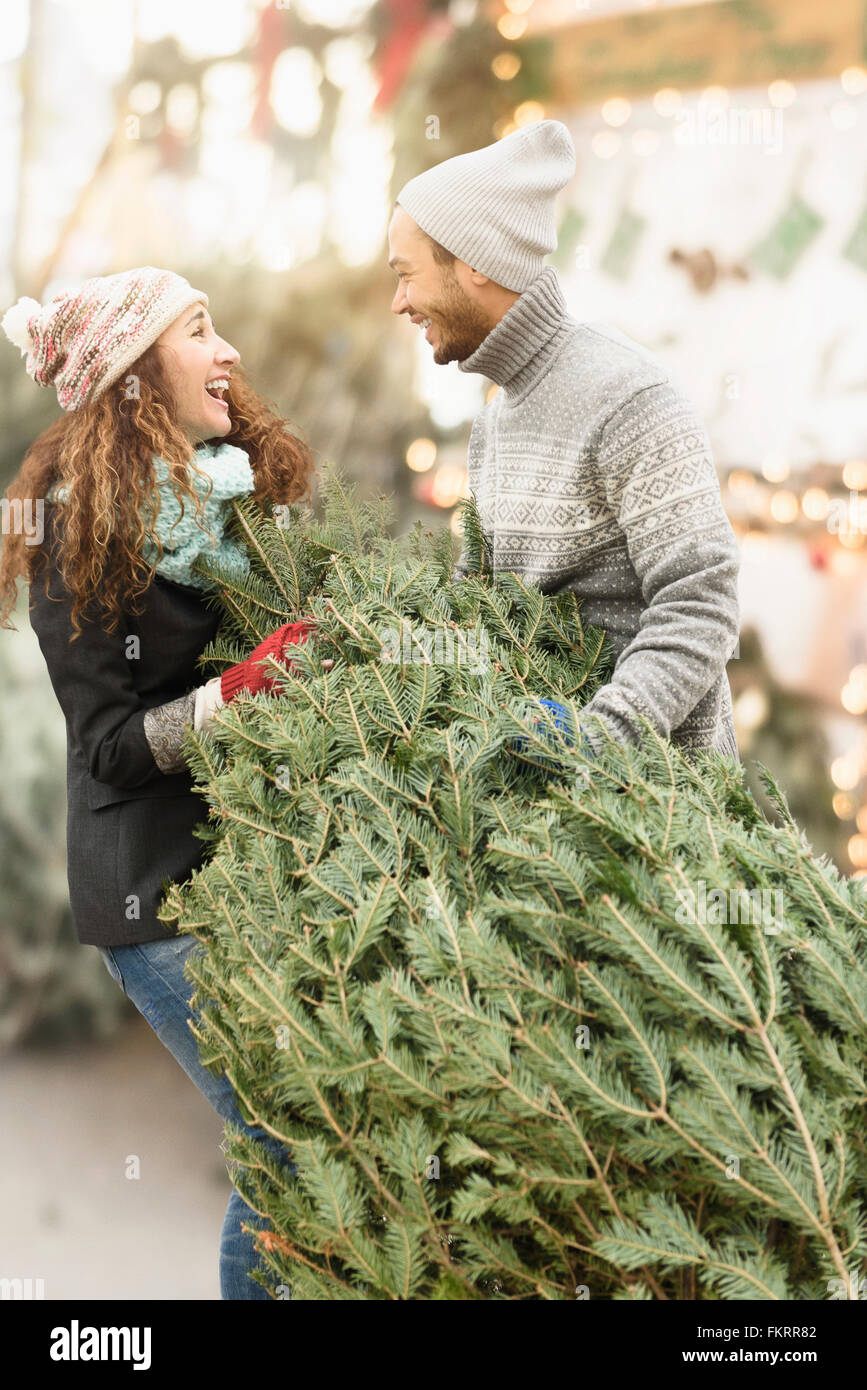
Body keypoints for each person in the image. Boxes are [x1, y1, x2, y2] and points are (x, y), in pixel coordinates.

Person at [0, 266, 317, 1298]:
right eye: (197, 330)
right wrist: (244, 689)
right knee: (282, 1141)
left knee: (302, 1138)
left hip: (237, 866)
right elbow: (109, 747)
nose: (227, 350)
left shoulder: (223, 501)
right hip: (155, 898)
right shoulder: (76, 535)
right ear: (133, 378)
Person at [388, 120, 741, 764]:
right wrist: (389, 645)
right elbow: (483, 597)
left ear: (472, 264)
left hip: (654, 819)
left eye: (406, 275)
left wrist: (595, 740)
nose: (398, 302)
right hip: (537, 819)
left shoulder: (628, 396)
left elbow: (702, 600)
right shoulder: (496, 420)